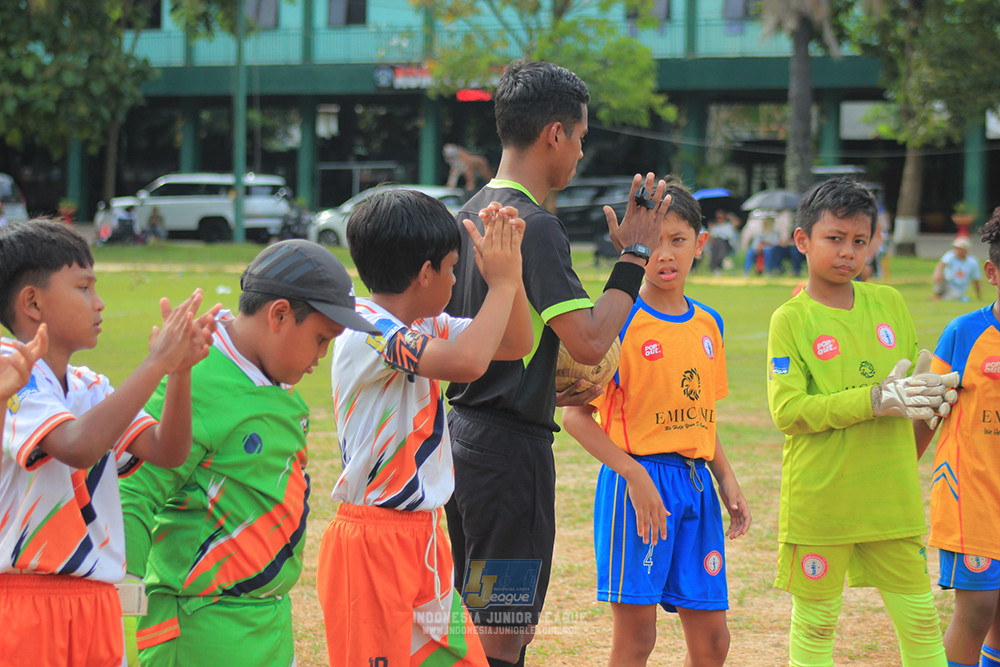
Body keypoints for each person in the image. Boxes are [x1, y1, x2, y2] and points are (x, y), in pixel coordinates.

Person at [444, 58, 664, 666]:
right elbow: (591, 342)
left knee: (475, 611)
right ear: (555, 135)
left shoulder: (469, 211)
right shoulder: (533, 227)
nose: (580, 155)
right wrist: (635, 255)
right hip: (510, 452)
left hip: (459, 442)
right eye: (582, 139)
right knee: (506, 630)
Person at [118, 239, 377, 667]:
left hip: (268, 620)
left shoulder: (276, 378)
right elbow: (134, 494)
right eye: (319, 339)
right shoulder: (193, 376)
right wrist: (121, 613)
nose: (321, 356)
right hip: (201, 626)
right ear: (278, 315)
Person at [316, 190, 532, 666]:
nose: (457, 278)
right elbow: (469, 362)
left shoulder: (423, 324)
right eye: (454, 267)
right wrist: (499, 286)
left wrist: (511, 277)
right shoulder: (368, 327)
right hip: (373, 542)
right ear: (425, 273)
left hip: (423, 538)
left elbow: (514, 343)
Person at [0, 219, 216, 666]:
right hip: (26, 602)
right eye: (83, 288)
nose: (99, 303)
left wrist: (179, 373)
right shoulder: (9, 372)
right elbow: (77, 446)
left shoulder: (88, 386)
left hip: (96, 600)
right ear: (32, 302)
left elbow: (167, 450)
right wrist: (156, 363)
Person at [766, 177, 956, 667]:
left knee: (920, 624)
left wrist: (929, 390)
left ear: (873, 242)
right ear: (803, 240)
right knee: (816, 627)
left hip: (891, 501)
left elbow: (912, 384)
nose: (848, 252)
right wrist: (871, 400)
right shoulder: (791, 319)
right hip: (823, 503)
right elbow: (789, 413)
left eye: (859, 241)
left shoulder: (889, 303)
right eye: (835, 239)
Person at [563, 179, 751, 667]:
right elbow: (577, 416)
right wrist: (635, 474)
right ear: (633, 243)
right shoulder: (619, 321)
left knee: (713, 643)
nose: (665, 254)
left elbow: (703, 416)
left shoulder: (709, 323)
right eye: (655, 241)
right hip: (638, 489)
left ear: (700, 245)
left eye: (679, 240)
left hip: (696, 488)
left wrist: (726, 478)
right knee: (637, 641)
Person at [915, 207, 1000, 667]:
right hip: (973, 492)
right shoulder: (965, 333)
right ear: (991, 272)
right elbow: (929, 410)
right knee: (978, 609)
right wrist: (898, 475)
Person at [933, 236, 982, 302]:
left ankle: (941, 297)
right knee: (940, 274)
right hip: (947, 283)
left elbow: (975, 279)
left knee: (951, 298)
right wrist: (937, 274)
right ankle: (937, 294)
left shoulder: (973, 262)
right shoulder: (950, 256)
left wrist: (978, 295)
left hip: (958, 288)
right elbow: (941, 265)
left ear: (965, 250)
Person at [707, 207, 739, 273]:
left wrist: (730, 216)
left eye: (721, 217)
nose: (719, 219)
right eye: (718, 218)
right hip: (717, 246)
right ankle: (724, 259)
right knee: (717, 241)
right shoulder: (715, 227)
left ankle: (715, 267)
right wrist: (710, 229)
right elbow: (711, 239)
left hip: (728, 245)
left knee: (720, 241)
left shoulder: (729, 225)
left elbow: (737, 223)